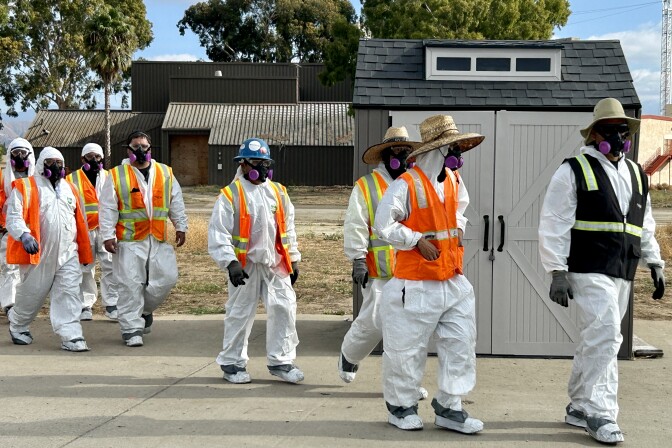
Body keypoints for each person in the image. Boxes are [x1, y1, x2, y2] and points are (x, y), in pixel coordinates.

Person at [539, 97, 665, 445]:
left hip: (622, 269)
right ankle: (600, 412)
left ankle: (578, 405)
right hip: (587, 267)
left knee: (597, 337)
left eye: (622, 131)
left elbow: (645, 224)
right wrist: (556, 271)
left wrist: (654, 262)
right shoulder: (573, 169)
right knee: (608, 334)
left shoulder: (638, 174)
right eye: (610, 131)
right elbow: (554, 223)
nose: (618, 137)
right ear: (595, 135)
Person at [373, 115, 484, 432]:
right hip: (415, 282)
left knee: (460, 344)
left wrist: (460, 228)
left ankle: (450, 406)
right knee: (406, 350)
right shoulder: (405, 185)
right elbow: (383, 225)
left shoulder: (453, 179)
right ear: (438, 150)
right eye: (454, 148)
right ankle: (400, 406)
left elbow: (460, 209)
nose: (458, 155)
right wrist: (415, 240)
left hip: (453, 278)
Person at [338, 126, 429, 399]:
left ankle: (406, 384)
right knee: (374, 322)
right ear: (387, 154)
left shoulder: (416, 184)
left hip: (411, 269)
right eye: (397, 151)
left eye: (406, 152)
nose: (402, 157)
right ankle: (349, 354)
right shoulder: (366, 186)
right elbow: (355, 223)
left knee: (408, 330)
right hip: (379, 271)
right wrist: (357, 259)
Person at [208, 137, 303, 384]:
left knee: (284, 308)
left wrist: (293, 258)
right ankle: (232, 364)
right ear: (243, 164)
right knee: (240, 313)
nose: (260, 168)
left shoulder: (278, 192)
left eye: (264, 162)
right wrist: (230, 263)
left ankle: (281, 362)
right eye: (255, 162)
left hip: (275, 263)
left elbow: (288, 228)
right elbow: (219, 232)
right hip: (245, 266)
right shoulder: (231, 194)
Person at [99, 131, 188, 347]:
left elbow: (175, 200)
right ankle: (131, 329)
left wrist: (181, 225)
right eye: (136, 146)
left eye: (144, 146)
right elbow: (108, 207)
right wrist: (107, 235)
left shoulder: (165, 172)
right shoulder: (117, 174)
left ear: (150, 149)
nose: (140, 150)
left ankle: (144, 310)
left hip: (157, 238)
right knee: (129, 284)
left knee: (167, 278)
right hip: (129, 241)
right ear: (128, 150)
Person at [5, 146, 93, 351]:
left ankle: (71, 334)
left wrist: (84, 249)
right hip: (39, 253)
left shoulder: (70, 189)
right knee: (32, 294)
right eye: (51, 162)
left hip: (67, 253)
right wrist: (24, 234)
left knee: (69, 292)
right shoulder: (25, 186)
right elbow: (13, 216)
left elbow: (80, 221)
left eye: (59, 163)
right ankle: (18, 324)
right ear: (40, 164)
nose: (55, 166)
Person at [66, 143, 119, 321]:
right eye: (90, 157)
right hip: (84, 231)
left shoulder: (110, 176)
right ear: (83, 159)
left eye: (98, 157)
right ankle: (85, 305)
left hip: (106, 230)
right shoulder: (71, 179)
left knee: (110, 266)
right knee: (85, 268)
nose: (95, 160)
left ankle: (111, 304)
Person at [0, 138, 36, 315]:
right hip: (7, 233)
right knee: (9, 267)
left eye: (23, 153)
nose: (20, 157)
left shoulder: (38, 179)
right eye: (15, 153)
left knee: (30, 271)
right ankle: (9, 304)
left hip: (34, 234)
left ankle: (26, 305)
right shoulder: (2, 178)